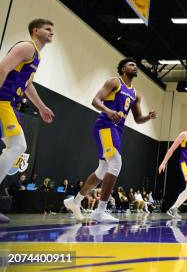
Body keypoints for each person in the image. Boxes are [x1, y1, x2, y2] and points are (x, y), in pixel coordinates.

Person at [64, 58, 156, 223]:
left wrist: (148, 117)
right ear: (122, 69)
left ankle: (74, 201)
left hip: (117, 131)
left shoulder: (136, 94)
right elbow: (95, 101)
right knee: (116, 163)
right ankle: (100, 211)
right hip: (105, 126)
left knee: (101, 170)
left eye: (136, 65)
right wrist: (107, 110)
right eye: (131, 65)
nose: (135, 67)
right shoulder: (114, 82)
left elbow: (138, 119)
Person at [0, 19, 55, 223]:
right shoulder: (26, 46)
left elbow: (28, 85)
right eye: (47, 29)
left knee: (15, 146)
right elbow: (2, 68)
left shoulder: (37, 55)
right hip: (2, 100)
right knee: (18, 145)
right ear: (35, 30)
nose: (51, 32)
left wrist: (41, 107)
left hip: (10, 104)